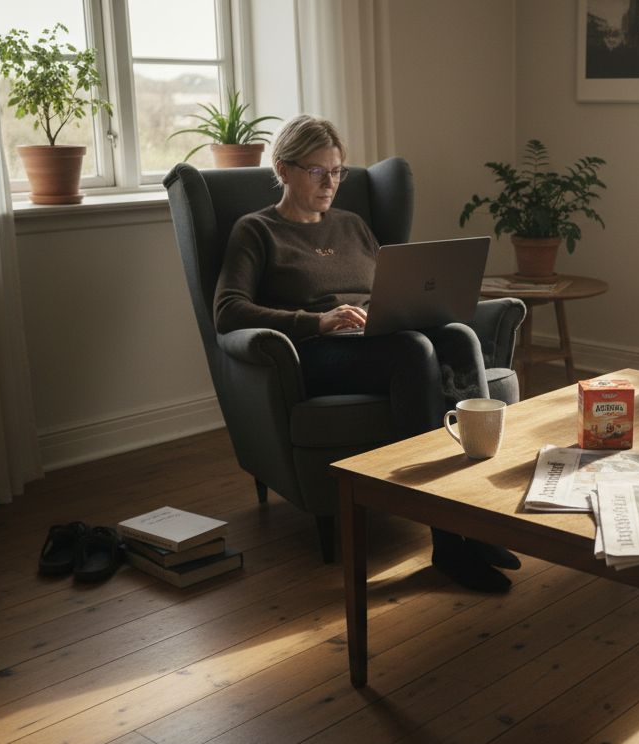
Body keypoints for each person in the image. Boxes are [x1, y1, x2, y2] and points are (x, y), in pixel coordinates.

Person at [213, 115, 520, 593]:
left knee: (459, 336)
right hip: (317, 354)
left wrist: (400, 307)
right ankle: (446, 543)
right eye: (317, 171)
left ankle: (479, 521)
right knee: (413, 350)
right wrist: (315, 321)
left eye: (337, 171)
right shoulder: (256, 231)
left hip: (376, 338)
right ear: (283, 169)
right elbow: (228, 310)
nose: (330, 183)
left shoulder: (352, 225)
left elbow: (387, 286)